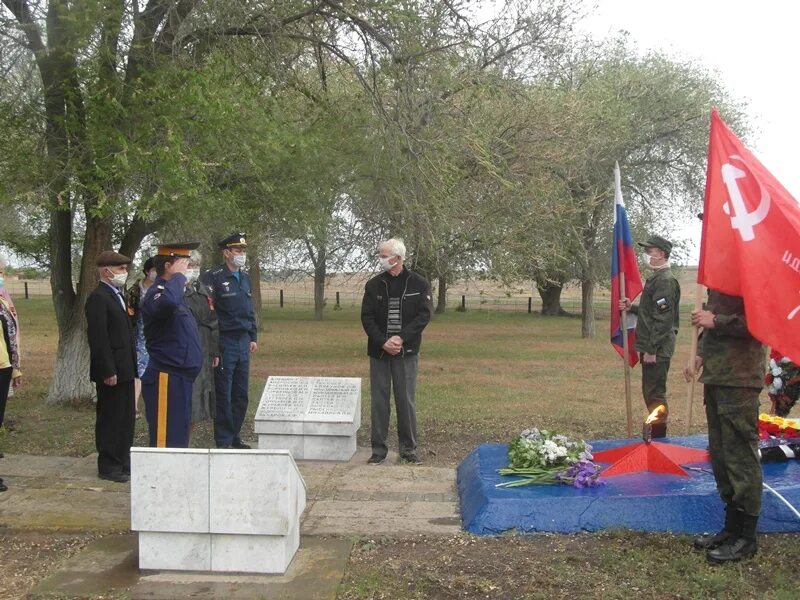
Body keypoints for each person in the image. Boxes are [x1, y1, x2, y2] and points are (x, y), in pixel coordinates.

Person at [684, 288, 765, 564]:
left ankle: (746, 537)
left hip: (740, 379)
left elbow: (760, 324)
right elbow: (710, 323)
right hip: (717, 376)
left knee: (740, 457)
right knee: (720, 456)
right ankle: (731, 529)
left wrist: (715, 320)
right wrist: (701, 353)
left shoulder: (751, 273)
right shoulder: (720, 278)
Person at [361, 238, 432, 465]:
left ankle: (408, 450)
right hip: (379, 352)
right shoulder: (373, 285)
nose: (380, 259)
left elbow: (424, 316)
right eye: (380, 255)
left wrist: (401, 338)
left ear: (397, 258)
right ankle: (378, 450)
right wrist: (383, 341)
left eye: (384, 255)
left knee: (405, 400)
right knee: (379, 401)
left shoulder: (419, 284)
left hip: (406, 351)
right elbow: (367, 317)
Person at [141, 242, 203, 448]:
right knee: (165, 439)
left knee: (177, 437)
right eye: (184, 264)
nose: (187, 270)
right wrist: (177, 277)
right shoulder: (157, 294)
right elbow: (167, 303)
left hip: (180, 378)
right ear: (168, 266)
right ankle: (161, 480)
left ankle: (175, 478)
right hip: (166, 378)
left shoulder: (175, 293)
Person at [619, 235, 681, 437]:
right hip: (651, 345)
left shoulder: (665, 281)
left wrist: (651, 349)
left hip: (657, 348)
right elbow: (652, 310)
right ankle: (656, 434)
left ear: (661, 254)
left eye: (650, 251)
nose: (646, 255)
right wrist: (632, 307)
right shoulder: (657, 278)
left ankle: (658, 437)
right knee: (650, 392)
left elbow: (663, 320)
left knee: (655, 394)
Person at [85, 250, 137, 483]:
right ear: (107, 271)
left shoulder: (118, 294)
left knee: (125, 417)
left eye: (125, 269)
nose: (124, 273)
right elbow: (99, 338)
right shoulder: (98, 297)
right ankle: (108, 464)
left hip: (125, 367)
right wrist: (108, 370)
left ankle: (123, 460)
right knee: (110, 418)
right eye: (120, 270)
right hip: (111, 369)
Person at [205, 232, 257, 449]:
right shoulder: (214, 277)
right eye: (237, 250)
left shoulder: (244, 278)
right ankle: (224, 439)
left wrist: (253, 336)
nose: (241, 255)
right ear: (226, 253)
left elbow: (249, 310)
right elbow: (210, 314)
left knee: (240, 394)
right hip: (225, 341)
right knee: (224, 394)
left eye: (244, 251)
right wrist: (214, 347)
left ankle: (235, 436)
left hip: (243, 341)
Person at [184, 250, 219, 431]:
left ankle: (186, 446)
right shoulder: (177, 291)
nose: (194, 270)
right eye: (190, 266)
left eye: (197, 266)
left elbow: (212, 319)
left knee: (197, 403)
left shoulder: (201, 289)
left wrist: (214, 350)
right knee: (186, 404)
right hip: (187, 351)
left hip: (204, 349)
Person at [0, 256, 23, 492]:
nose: (2, 276)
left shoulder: (3, 301)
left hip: (3, 365)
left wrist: (15, 367)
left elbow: (10, 335)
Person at [126, 256, 155, 418]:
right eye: (153, 270)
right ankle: (134, 406)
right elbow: (129, 313)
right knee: (138, 369)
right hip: (139, 335)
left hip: (156, 335)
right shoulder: (135, 290)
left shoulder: (161, 288)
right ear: (147, 271)